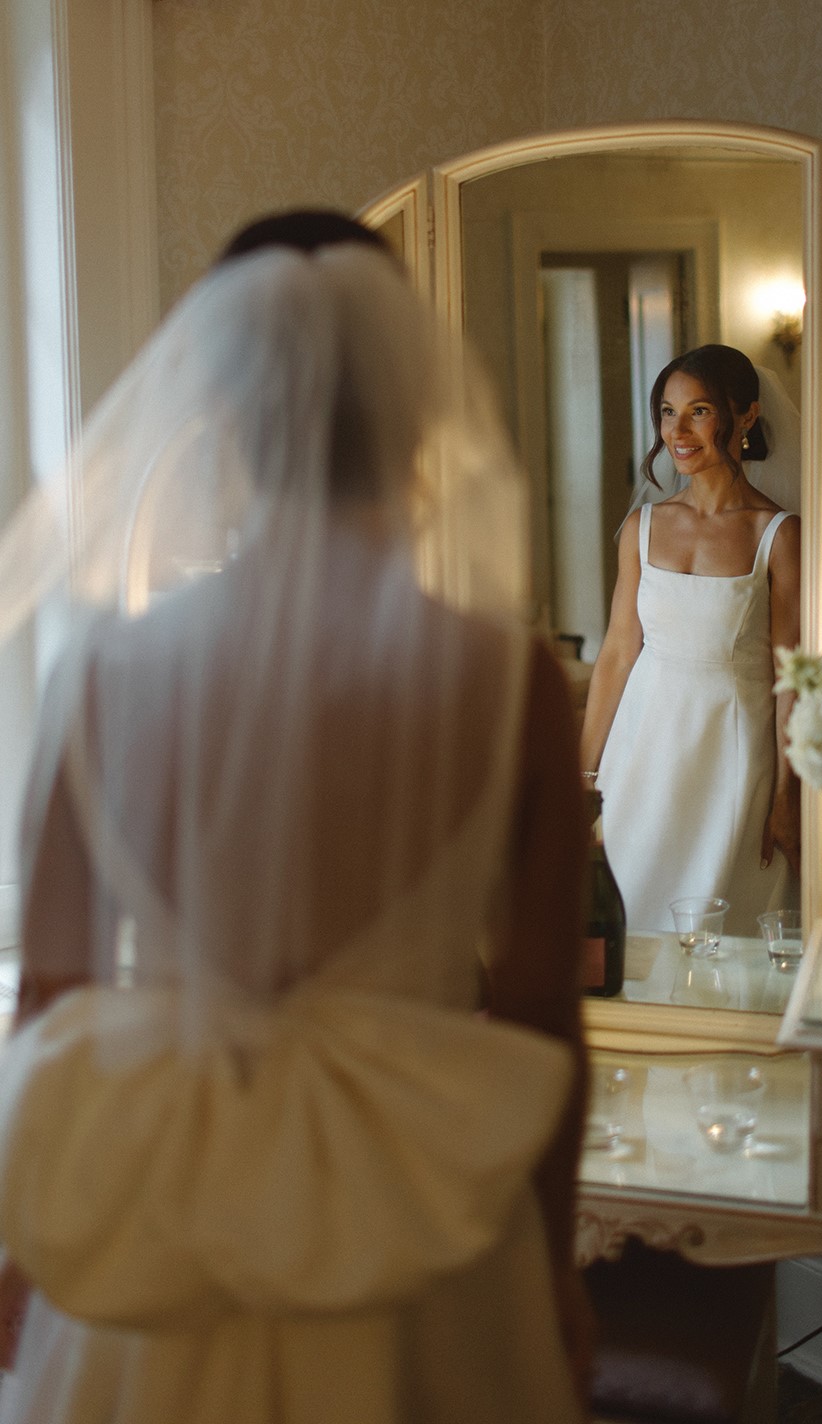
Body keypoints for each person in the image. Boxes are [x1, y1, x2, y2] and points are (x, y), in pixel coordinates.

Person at [0, 215, 592, 1422]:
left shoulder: (106, 673)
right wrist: (551, 1263)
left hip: (162, 1215)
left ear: (219, 408)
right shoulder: (510, 677)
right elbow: (543, 1010)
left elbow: (52, 996)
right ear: (418, 406)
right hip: (422, 1223)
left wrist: (28, 1232)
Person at [579, 344, 801, 936]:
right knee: (632, 907)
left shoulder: (778, 534)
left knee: (717, 919)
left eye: (699, 412)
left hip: (732, 750)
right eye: (668, 413)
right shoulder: (642, 525)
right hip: (643, 745)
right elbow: (617, 655)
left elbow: (792, 677)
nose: (677, 432)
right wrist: (583, 777)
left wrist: (787, 793)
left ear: (747, 416)